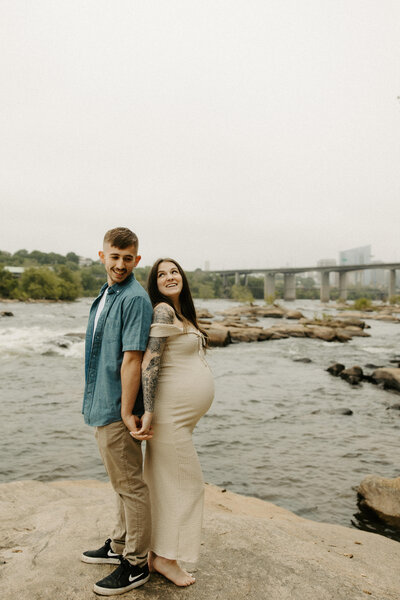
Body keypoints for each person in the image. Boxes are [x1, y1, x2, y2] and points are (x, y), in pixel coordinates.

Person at [132, 258, 214, 587]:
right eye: (162, 274)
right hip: (168, 417)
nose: (169, 276)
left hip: (179, 418)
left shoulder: (180, 314)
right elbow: (150, 359)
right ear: (155, 283)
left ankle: (157, 554)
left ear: (183, 277)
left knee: (166, 484)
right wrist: (149, 410)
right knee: (187, 485)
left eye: (174, 271)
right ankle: (166, 558)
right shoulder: (163, 311)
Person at [81, 227, 153, 596]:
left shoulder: (134, 299)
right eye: (115, 256)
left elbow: (132, 359)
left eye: (128, 258)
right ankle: (120, 544)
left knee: (131, 486)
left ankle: (137, 564)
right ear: (102, 256)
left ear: (137, 260)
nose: (121, 264)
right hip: (102, 401)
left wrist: (126, 412)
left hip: (115, 408)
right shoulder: (108, 293)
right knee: (120, 484)